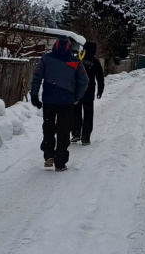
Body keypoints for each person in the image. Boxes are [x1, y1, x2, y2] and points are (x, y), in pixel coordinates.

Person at [30, 36, 88, 171]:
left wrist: (34, 95)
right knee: (63, 131)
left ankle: (49, 155)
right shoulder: (75, 61)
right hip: (67, 102)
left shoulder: (46, 59)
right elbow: (84, 81)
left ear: (54, 46)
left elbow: (37, 77)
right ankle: (60, 163)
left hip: (49, 100)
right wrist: (76, 97)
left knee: (48, 128)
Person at [70, 41, 105, 146]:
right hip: (89, 92)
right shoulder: (95, 62)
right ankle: (85, 137)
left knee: (76, 113)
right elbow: (100, 78)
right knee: (88, 115)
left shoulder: (77, 59)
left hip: (77, 91)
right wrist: (100, 90)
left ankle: (76, 133)